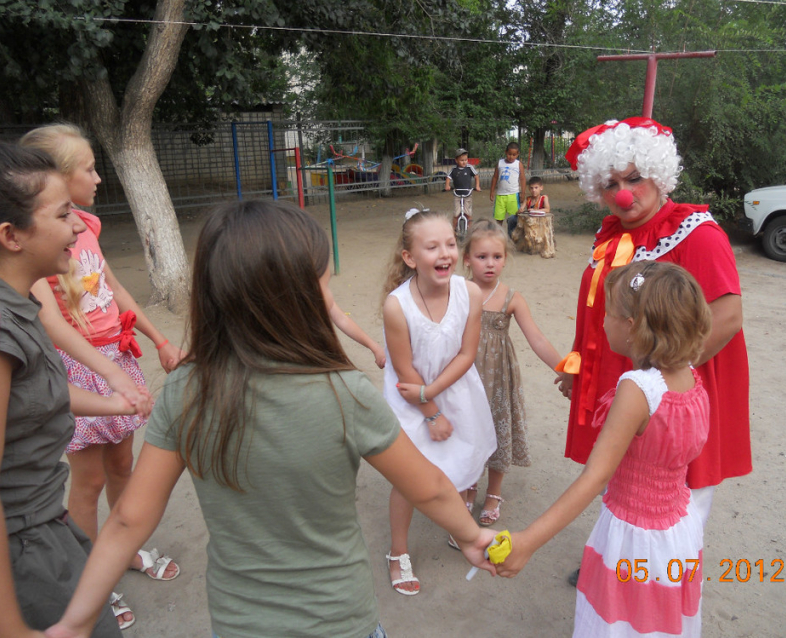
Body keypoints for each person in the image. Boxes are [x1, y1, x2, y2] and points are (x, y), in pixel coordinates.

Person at [45, 200, 496, 638]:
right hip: (339, 618)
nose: (330, 295)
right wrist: (472, 535)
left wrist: (75, 620)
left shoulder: (186, 390)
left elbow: (127, 519)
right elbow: (432, 488)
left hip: (239, 621)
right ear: (296, 297)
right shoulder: (344, 392)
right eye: (324, 283)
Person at [558, 118, 750, 556]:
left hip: (672, 394)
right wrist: (578, 365)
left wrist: (662, 385)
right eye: (609, 183)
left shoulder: (695, 233)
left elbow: (728, 316)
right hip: (626, 387)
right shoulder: (611, 236)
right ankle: (623, 560)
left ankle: (666, 578)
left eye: (634, 177)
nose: (623, 193)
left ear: (658, 174)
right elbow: (596, 313)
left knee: (679, 494)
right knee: (626, 477)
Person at [497, 261, 713, 638]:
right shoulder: (692, 378)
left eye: (608, 314)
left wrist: (528, 540)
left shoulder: (638, 388)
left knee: (621, 625)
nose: (602, 323)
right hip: (679, 533)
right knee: (660, 625)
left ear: (631, 327)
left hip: (634, 539)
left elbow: (595, 476)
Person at [20, 124, 182, 627]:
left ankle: (124, 550)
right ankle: (92, 574)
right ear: (55, 181)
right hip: (83, 368)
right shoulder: (40, 242)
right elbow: (50, 319)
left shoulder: (86, 227)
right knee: (86, 482)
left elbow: (114, 291)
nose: (97, 177)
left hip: (115, 356)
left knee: (122, 466)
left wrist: (158, 339)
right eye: (88, 168)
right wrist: (111, 376)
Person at [0, 142, 141, 638]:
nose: (79, 226)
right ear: (11, 236)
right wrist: (12, 627)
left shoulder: (19, 307)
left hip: (44, 527)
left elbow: (33, 398)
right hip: (22, 543)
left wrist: (111, 401)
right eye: (64, 215)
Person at [381, 208, 497, 595]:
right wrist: (430, 413)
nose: (445, 253)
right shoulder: (397, 306)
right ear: (410, 258)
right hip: (409, 399)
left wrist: (433, 395)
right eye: (432, 247)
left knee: (460, 462)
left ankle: (458, 527)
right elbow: (404, 372)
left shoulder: (470, 292)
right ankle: (398, 552)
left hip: (454, 390)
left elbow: (467, 354)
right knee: (409, 478)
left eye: (450, 243)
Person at [461, 219, 566, 525]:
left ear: (506, 258)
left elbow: (537, 338)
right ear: (467, 258)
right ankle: (468, 485)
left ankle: (494, 492)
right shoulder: (457, 291)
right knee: (466, 432)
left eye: (497, 257)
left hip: (497, 378)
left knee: (496, 429)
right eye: (481, 257)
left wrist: (564, 369)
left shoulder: (511, 298)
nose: (490, 264)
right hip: (464, 376)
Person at [489, 142, 525, 236]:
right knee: (498, 218)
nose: (511, 157)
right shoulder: (500, 163)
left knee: (514, 218)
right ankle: (498, 237)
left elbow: (522, 178)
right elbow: (495, 177)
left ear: (518, 154)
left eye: (514, 155)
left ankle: (513, 237)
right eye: (509, 154)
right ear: (505, 152)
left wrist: (523, 193)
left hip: (513, 195)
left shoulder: (518, 164)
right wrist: (492, 191)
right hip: (500, 196)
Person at [444, 148, 480, 228]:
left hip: (468, 193)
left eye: (466, 160)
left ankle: (469, 230)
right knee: (456, 214)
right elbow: (448, 177)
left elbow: (476, 176)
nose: (464, 162)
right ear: (456, 160)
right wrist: (447, 185)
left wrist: (477, 186)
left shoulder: (470, 168)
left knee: (468, 214)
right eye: (461, 160)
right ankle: (453, 231)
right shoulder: (454, 170)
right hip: (457, 194)